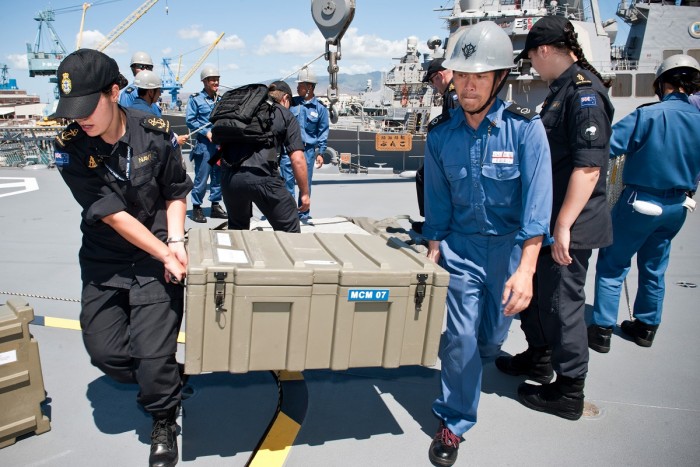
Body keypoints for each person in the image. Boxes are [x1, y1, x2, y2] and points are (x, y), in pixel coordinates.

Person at [52, 49, 193, 467]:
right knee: (107, 355)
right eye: (72, 110)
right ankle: (165, 375)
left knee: (152, 359)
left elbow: (175, 191)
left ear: (115, 92)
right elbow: (112, 215)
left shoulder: (154, 132)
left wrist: (178, 241)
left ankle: (164, 415)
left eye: (87, 106)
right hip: (107, 260)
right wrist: (167, 250)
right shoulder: (70, 148)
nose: (79, 118)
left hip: (155, 260)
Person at [423, 22, 552, 467]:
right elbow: (437, 201)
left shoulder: (526, 131)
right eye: (462, 75)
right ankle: (454, 421)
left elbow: (538, 205)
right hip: (462, 249)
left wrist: (527, 268)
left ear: (500, 78)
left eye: (480, 75)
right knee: (458, 338)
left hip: (511, 251)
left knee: (491, 337)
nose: (469, 85)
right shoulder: (440, 136)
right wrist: (435, 242)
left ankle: (481, 359)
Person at [494, 15, 614, 421]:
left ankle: (569, 390)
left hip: (571, 224)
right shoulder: (561, 90)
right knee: (541, 299)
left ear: (544, 50)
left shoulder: (583, 95)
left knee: (563, 305)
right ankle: (539, 359)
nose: (532, 65)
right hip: (550, 218)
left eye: (531, 57)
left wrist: (562, 225)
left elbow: (588, 168)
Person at [588, 54, 700, 351]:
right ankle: (646, 327)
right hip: (678, 206)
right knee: (655, 266)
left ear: (661, 83)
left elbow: (606, 148)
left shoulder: (648, 115)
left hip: (640, 202)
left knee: (613, 264)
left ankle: (601, 330)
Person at [219, 81, 309, 232]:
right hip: (262, 177)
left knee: (237, 230)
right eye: (290, 103)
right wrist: (305, 193)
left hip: (230, 178)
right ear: (285, 98)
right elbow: (297, 159)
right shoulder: (285, 114)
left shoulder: (244, 110)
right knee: (290, 227)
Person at [413, 57, 459, 234]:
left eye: (433, 82)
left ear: (439, 76)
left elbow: (454, 127)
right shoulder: (455, 91)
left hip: (454, 153)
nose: (434, 87)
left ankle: (431, 222)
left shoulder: (452, 95)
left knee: (425, 176)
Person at [279, 67, 329, 220]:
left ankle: (304, 214)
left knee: (305, 183)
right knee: (286, 182)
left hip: (307, 151)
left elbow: (323, 131)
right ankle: (289, 212)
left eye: (300, 85)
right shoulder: (292, 103)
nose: (297, 87)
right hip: (288, 150)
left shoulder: (320, 109)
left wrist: (320, 152)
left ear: (309, 88)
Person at [186, 65, 226, 223]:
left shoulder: (221, 100)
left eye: (217, 79)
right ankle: (197, 207)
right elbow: (190, 120)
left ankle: (215, 206)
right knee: (202, 178)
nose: (216, 81)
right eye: (212, 79)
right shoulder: (195, 99)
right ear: (204, 81)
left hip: (218, 146)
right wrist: (206, 132)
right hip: (205, 146)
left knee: (218, 176)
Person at [130, 69, 188, 146]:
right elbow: (159, 142)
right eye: (159, 91)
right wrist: (176, 141)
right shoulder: (150, 115)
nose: (160, 94)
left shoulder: (129, 110)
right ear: (150, 92)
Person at [119, 50, 160, 115]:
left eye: (149, 67)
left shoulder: (152, 89)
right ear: (133, 68)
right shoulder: (128, 94)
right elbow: (126, 118)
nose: (145, 70)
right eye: (141, 66)